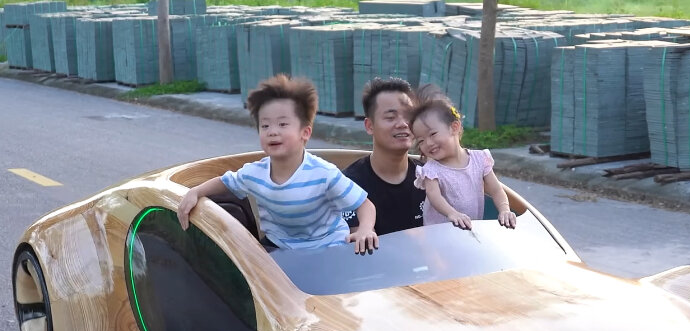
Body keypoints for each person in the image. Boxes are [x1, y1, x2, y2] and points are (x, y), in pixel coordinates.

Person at [177, 74, 378, 254]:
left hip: (327, 249)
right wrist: (195, 192)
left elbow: (364, 205)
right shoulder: (254, 173)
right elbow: (225, 182)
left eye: (282, 124)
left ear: (305, 133)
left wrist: (365, 229)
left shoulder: (324, 173)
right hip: (278, 250)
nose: (273, 131)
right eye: (265, 125)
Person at [409, 85, 516, 231]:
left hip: (468, 231)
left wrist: (504, 210)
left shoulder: (479, 159)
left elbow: (496, 190)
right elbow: (434, 196)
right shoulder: (431, 170)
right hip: (438, 235)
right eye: (421, 140)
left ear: (454, 127)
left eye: (433, 134)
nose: (428, 143)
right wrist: (452, 213)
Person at [343, 77, 425, 235]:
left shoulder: (429, 176)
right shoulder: (348, 185)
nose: (403, 124)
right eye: (390, 117)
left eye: (408, 116)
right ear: (369, 126)